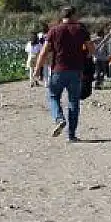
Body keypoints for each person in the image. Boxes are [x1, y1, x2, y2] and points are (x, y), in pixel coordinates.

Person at [35, 7, 93, 142]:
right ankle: (71, 135)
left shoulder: (54, 30)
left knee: (53, 96)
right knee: (74, 102)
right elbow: (91, 49)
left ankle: (59, 119)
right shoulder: (81, 30)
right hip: (76, 71)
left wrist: (38, 69)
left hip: (58, 70)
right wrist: (86, 56)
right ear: (73, 15)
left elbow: (43, 52)